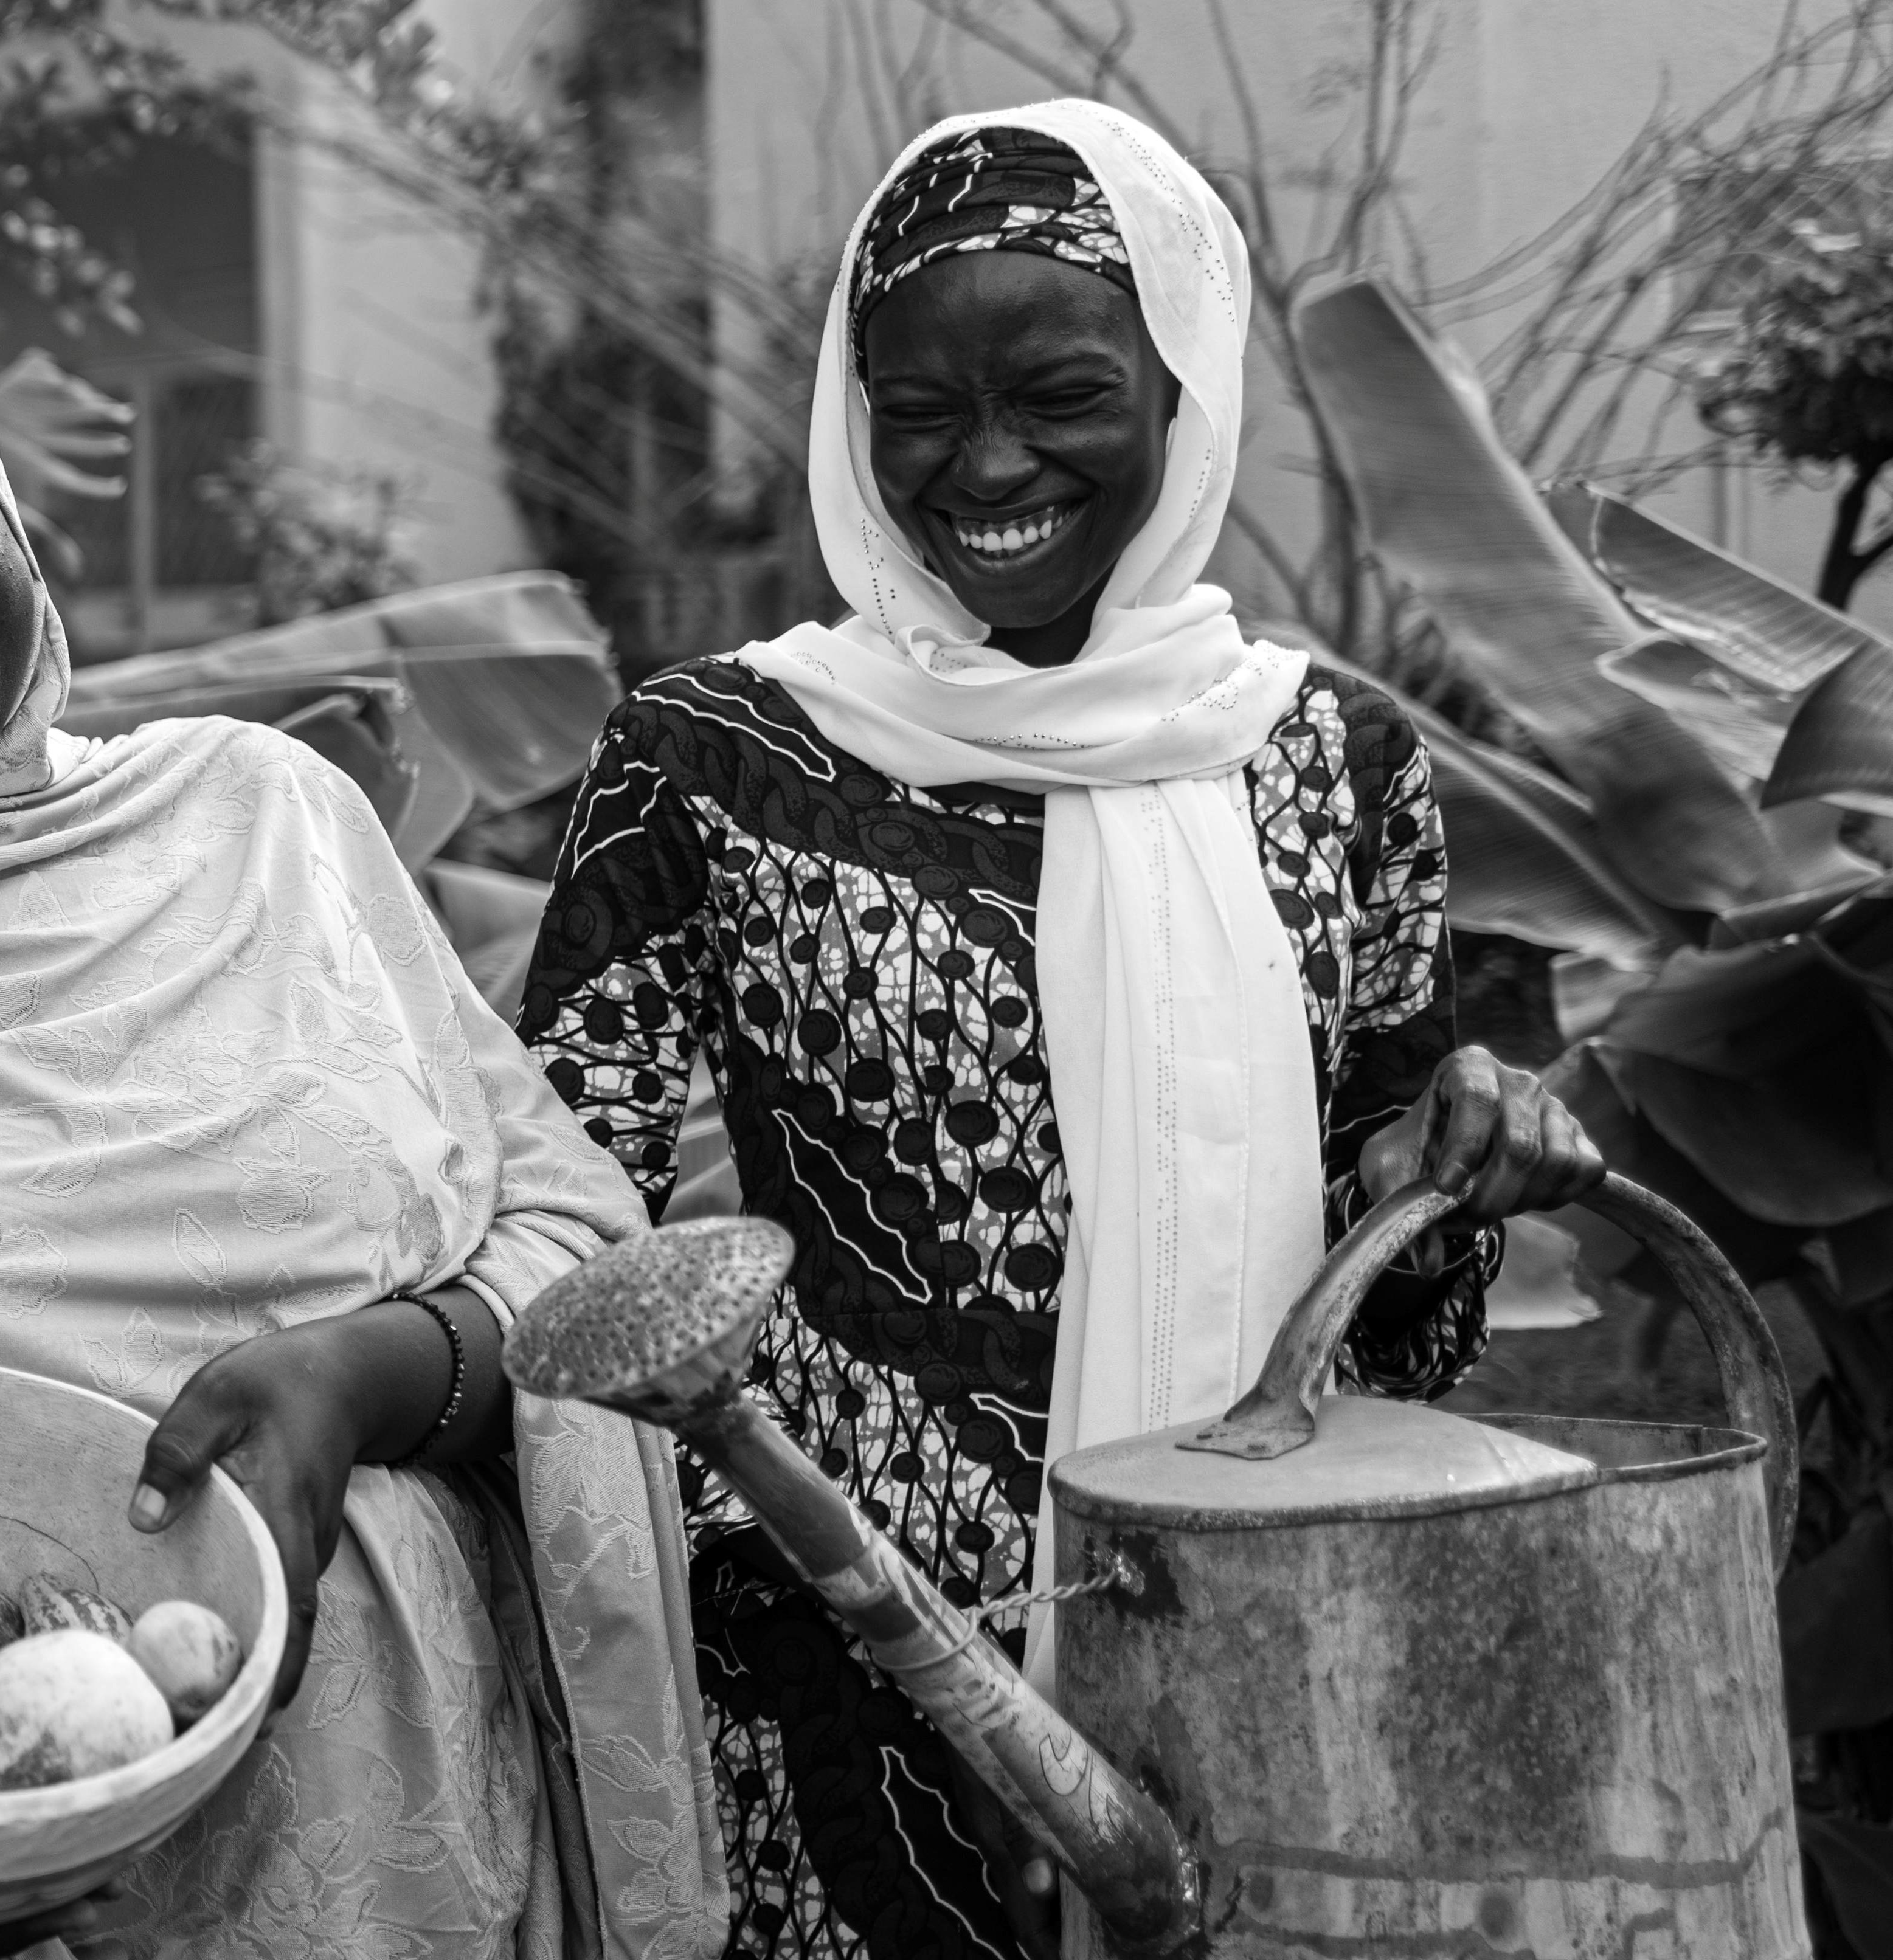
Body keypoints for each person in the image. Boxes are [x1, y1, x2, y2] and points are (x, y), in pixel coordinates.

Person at [513, 103, 1602, 1959]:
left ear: (1178, 391)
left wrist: (1449, 1168)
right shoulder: (714, 755)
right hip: (845, 1681)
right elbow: (556, 1222)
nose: (984, 463)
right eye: (915, 407)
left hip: (1269, 1649)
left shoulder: (1328, 761)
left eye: (1059, 392)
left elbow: (1396, 1320)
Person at [0, 313, 728, 1960]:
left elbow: (578, 1238)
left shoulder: (264, 819)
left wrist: (372, 1379)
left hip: (373, 1822)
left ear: (12, 531)